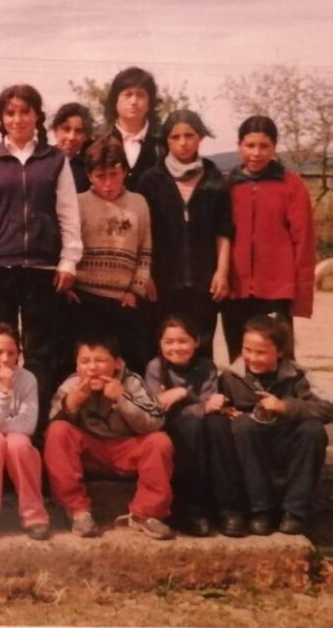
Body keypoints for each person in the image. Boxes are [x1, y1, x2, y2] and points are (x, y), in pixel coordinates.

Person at [0, 83, 81, 429]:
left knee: (40, 352)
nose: (17, 118)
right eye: (10, 112)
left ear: (37, 116)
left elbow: (68, 212)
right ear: (1, 118)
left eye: (24, 111)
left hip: (43, 268)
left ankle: (34, 427)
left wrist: (69, 259)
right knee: (0, 350)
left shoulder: (55, 160)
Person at [44, 334, 174, 540]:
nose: (92, 368)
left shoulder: (132, 381)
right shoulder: (71, 384)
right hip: (91, 451)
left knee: (160, 442)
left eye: (100, 360)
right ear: (77, 365)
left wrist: (122, 399)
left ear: (117, 362)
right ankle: (77, 511)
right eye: (85, 361)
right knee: (58, 430)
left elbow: (155, 422)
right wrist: (70, 405)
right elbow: (50, 427)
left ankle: (147, 514)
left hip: (126, 450)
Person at [218, 315, 332, 536]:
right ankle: (261, 510)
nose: (252, 357)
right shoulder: (230, 377)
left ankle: (295, 511)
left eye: (261, 352)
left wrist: (286, 406)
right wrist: (225, 411)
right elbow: (218, 406)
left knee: (313, 429)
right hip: (249, 447)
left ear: (279, 352)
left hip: (286, 443)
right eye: (247, 349)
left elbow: (328, 407)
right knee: (243, 425)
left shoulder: (297, 375)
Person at [137, 110, 231, 359]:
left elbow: (224, 230)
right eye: (175, 137)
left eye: (189, 135)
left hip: (203, 282)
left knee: (201, 344)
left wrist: (222, 272)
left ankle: (203, 396)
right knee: (162, 346)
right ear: (166, 141)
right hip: (163, 281)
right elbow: (141, 231)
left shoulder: (215, 178)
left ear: (200, 137)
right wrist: (144, 272)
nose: (182, 142)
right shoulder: (151, 180)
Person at [223, 115, 316, 361]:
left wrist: (301, 295)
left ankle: (285, 401)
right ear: (238, 145)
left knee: (279, 360)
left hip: (276, 291)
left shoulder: (292, 186)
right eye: (250, 145)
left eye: (264, 146)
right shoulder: (227, 186)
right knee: (239, 359)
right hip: (236, 291)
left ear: (274, 147)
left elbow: (304, 241)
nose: (256, 153)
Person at [143, 316, 238, 537]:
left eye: (183, 341)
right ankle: (193, 509)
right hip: (173, 430)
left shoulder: (206, 367)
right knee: (192, 425)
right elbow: (157, 409)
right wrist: (198, 404)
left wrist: (184, 394)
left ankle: (229, 507)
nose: (176, 347)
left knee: (218, 425)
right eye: (169, 342)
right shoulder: (155, 367)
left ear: (196, 342)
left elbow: (212, 406)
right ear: (160, 344)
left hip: (202, 427)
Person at [68, 137, 152, 375]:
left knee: (126, 362)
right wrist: (68, 286)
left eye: (113, 175)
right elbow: (67, 246)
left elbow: (145, 250)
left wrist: (135, 290)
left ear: (125, 171)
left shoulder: (138, 203)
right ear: (89, 175)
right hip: (84, 297)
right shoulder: (78, 203)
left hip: (123, 299)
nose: (107, 183)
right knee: (87, 362)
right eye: (100, 176)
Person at [0, 323, 50, 542]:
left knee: (19, 444)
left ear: (19, 355)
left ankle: (33, 514)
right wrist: (4, 389)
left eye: (11, 353)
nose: (5, 359)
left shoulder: (27, 379)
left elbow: (28, 424)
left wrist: (1, 426)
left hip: (15, 436)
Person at [99, 66, 164, 189]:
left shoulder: (162, 141)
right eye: (127, 94)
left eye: (141, 95)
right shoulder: (98, 139)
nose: (134, 101)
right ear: (115, 100)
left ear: (150, 102)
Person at [49, 102, 93, 193]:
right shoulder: (40, 163)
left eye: (78, 131)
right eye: (66, 129)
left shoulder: (89, 169)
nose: (71, 137)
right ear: (55, 130)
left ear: (86, 136)